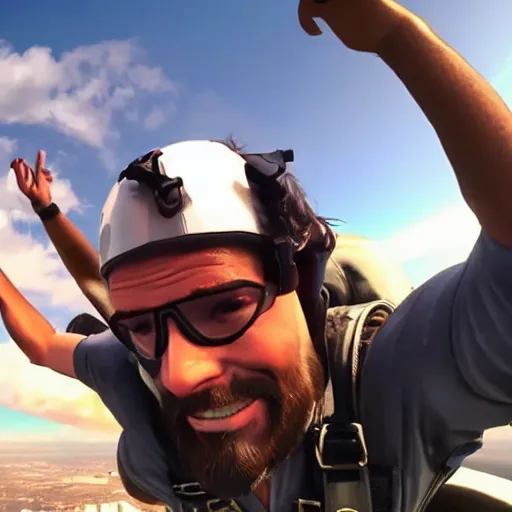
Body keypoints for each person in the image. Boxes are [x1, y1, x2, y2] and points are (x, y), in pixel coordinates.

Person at [2, 1, 512, 511]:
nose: (178, 373)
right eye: (139, 327)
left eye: (226, 307)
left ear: (304, 275)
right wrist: (46, 212)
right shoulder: (131, 366)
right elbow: (51, 338)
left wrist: (399, 36)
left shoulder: (391, 381)